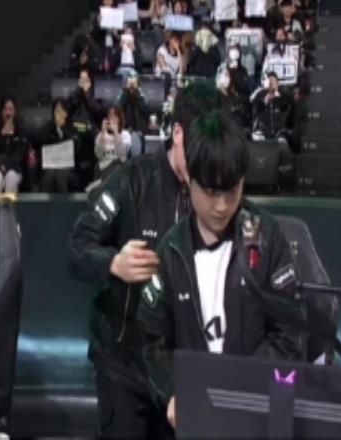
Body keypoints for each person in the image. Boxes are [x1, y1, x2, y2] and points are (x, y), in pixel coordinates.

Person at [68, 82, 222, 438]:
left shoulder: (214, 195)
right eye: (198, 154)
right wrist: (113, 263)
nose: (205, 168)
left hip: (179, 369)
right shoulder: (130, 180)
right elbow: (77, 246)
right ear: (178, 135)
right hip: (123, 363)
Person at [137, 110, 307, 429]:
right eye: (211, 192)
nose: (222, 206)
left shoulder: (267, 237)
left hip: (258, 414)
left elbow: (290, 332)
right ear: (190, 179)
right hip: (195, 416)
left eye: (232, 190)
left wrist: (240, 387)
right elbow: (151, 341)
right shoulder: (171, 252)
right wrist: (172, 391)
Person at [68, 68, 103, 188]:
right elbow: (69, 108)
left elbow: (97, 112)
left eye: (86, 80)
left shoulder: (96, 95)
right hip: (76, 130)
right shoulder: (74, 95)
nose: (83, 82)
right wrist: (79, 91)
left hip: (90, 131)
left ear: (91, 81)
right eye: (81, 79)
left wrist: (87, 93)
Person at [0, 97, 27, 194]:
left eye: (11, 109)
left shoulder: (20, 132)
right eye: (5, 109)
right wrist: (2, 135)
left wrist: (5, 166)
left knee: (11, 177)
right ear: (1, 111)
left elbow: (20, 154)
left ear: (15, 112)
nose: (8, 113)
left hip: (14, 169)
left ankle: (9, 204)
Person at [39, 98, 80, 193]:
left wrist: (63, 127)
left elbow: (77, 146)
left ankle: (63, 202)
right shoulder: (49, 126)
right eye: (57, 111)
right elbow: (41, 139)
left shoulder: (72, 126)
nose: (59, 114)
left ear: (66, 113)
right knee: (49, 176)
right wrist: (51, 124)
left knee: (60, 176)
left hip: (68, 166)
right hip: (52, 165)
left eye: (62, 111)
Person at [94, 105, 131, 177]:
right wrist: (103, 133)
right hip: (103, 167)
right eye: (110, 115)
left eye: (115, 116)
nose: (112, 118)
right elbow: (98, 155)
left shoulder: (125, 134)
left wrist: (116, 132)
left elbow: (122, 154)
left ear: (120, 119)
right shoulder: (101, 135)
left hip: (119, 167)